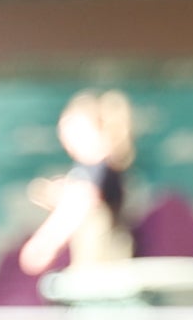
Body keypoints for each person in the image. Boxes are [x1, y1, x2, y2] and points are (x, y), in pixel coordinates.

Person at [17, 88, 136, 283]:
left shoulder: (98, 167)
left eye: (70, 129)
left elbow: (81, 203)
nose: (65, 138)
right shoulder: (99, 168)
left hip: (102, 276)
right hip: (103, 272)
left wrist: (42, 245)